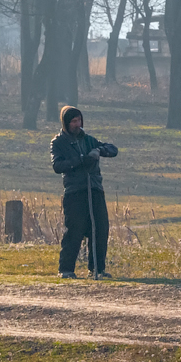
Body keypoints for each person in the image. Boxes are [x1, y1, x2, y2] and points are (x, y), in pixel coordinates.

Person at [50, 105, 117, 278]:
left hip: (94, 188)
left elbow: (113, 150)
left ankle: (97, 269)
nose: (77, 124)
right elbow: (57, 166)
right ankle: (66, 269)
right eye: (73, 121)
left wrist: (99, 151)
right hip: (75, 191)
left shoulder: (89, 140)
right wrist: (80, 160)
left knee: (100, 228)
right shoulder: (58, 143)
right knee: (75, 229)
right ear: (66, 123)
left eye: (79, 120)